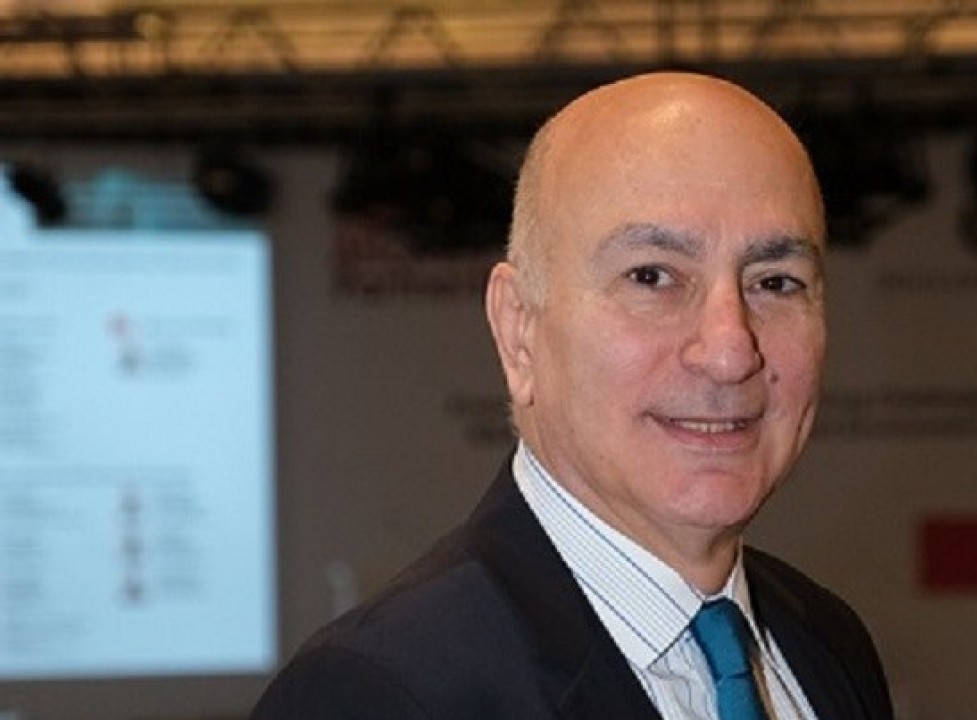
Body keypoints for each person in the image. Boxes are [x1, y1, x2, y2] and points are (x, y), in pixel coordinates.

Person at [252, 71, 894, 720]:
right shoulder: (373, 693)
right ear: (518, 329)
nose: (730, 352)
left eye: (776, 282)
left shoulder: (826, 647)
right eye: (652, 276)